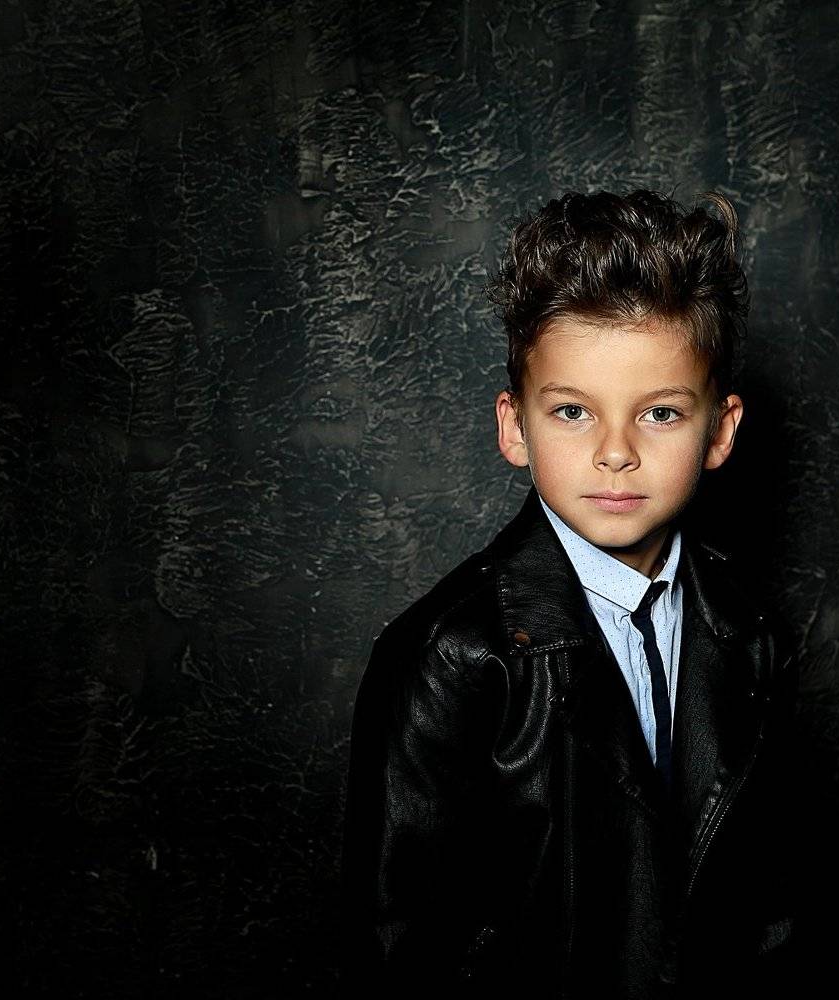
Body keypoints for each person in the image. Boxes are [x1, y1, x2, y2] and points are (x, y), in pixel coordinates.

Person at [339, 189, 812, 998]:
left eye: (659, 414)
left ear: (721, 430)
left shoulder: (750, 632)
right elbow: (398, 940)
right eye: (571, 411)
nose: (615, 452)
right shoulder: (451, 658)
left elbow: (771, 904)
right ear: (514, 427)